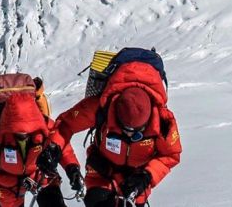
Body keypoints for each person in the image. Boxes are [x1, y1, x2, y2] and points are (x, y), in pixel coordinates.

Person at [37, 61, 181, 206]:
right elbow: (66, 124)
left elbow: (170, 155)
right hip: (101, 172)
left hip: (135, 185)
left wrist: (147, 176)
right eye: (124, 131)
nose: (130, 136)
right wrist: (53, 147)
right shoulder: (101, 107)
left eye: (137, 134)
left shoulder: (164, 123)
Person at [0, 90, 83, 207]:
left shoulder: (45, 127)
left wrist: (72, 168)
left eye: (27, 131)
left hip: (39, 174)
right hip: (7, 181)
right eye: (17, 131)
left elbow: (62, 147)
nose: (23, 135)